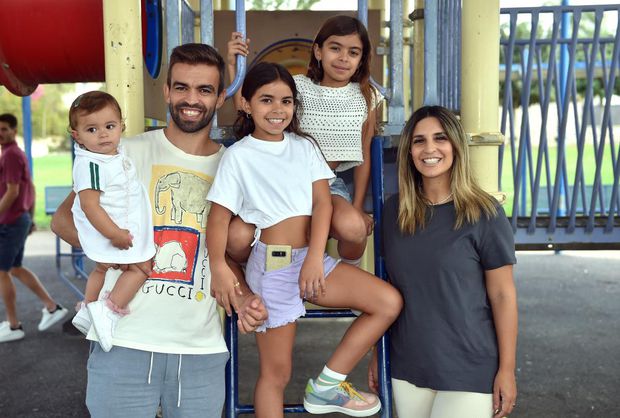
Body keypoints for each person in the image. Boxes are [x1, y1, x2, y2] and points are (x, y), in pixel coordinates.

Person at [51, 43, 267, 418]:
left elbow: (225, 254)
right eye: (181, 87)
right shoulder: (123, 153)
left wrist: (245, 296)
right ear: (167, 91)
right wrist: (118, 253)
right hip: (123, 340)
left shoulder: (234, 166)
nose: (191, 99)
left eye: (204, 90)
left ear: (220, 98)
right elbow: (63, 221)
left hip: (199, 349)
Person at [206, 61, 402, 418]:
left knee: (388, 302)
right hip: (273, 268)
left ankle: (327, 385)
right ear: (246, 104)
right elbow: (218, 218)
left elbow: (323, 203)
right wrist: (218, 265)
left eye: (286, 101)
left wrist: (314, 257)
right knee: (276, 375)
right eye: (266, 100)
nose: (277, 109)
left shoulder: (304, 146)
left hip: (311, 262)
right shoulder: (238, 156)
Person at [368, 106, 518, 418]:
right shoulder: (394, 212)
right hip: (407, 365)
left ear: (456, 145)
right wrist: (376, 353)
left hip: (469, 367)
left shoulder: (484, 213)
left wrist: (507, 369)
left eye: (440, 138)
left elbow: (503, 295)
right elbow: (387, 291)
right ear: (409, 151)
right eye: (419, 141)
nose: (430, 149)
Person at [226, 15, 383, 267]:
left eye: (353, 52)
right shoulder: (298, 86)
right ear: (318, 51)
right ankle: (252, 271)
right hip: (280, 182)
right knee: (236, 237)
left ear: (361, 59)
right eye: (335, 48)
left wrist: (357, 205)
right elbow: (251, 109)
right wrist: (234, 67)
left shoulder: (367, 96)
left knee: (354, 228)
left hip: (328, 185)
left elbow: (364, 154)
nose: (343, 58)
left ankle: (347, 272)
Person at [67, 91, 155, 352]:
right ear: (77, 136)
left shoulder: (113, 154)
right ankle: (109, 309)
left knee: (101, 268)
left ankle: (87, 308)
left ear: (121, 126)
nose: (103, 134)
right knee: (141, 268)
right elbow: (89, 205)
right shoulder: (91, 165)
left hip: (114, 226)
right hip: (111, 230)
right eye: (92, 129)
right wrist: (115, 234)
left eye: (109, 126)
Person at [0, 113, 68, 343]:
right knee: (15, 268)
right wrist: (29, 218)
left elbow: (13, 192)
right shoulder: (14, 153)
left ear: (14, 130)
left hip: (10, 222)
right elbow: (31, 186)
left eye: (4, 129)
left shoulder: (10, 155)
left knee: (2, 272)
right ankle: (52, 306)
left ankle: (14, 325)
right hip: (18, 220)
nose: (1, 133)